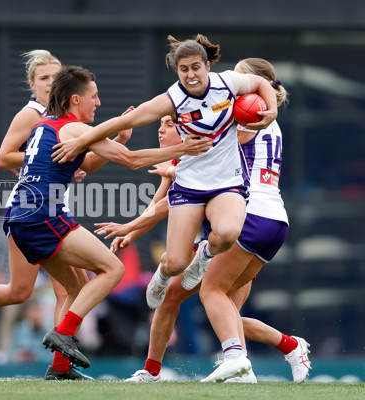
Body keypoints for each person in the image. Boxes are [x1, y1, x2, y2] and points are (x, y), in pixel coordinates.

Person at [51, 34, 278, 379]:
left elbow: (262, 81)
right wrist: (82, 138)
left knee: (228, 233)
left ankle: (202, 260)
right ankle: (163, 275)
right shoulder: (172, 99)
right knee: (174, 263)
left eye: (196, 67)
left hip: (226, 184)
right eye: (184, 69)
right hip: (189, 187)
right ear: (178, 71)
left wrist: (271, 108)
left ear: (208, 66)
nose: (190, 74)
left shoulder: (228, 83)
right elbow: (124, 123)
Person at [100, 58, 311, 383]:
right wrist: (133, 228)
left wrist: (168, 165)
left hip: (248, 217)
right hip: (272, 222)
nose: (230, 85)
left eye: (239, 79)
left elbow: (161, 185)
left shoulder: (237, 121)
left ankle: (238, 358)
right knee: (209, 305)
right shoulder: (259, 118)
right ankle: (158, 371)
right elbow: (162, 202)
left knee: (211, 293)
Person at [4, 64, 212, 375]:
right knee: (112, 269)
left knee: (76, 290)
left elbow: (88, 161)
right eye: (94, 96)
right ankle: (63, 334)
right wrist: (185, 148)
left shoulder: (44, 125)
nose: (98, 103)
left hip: (20, 215)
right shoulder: (73, 128)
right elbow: (131, 162)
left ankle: (60, 367)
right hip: (43, 213)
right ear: (76, 100)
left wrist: (120, 137)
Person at [0, 50, 123, 381]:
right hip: (31, 209)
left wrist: (76, 157)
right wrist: (40, 157)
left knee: (63, 289)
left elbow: (85, 164)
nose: (50, 83)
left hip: (53, 208)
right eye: (43, 78)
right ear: (32, 84)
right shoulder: (32, 115)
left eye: (55, 77)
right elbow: (3, 157)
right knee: (20, 291)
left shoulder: (66, 119)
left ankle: (60, 366)